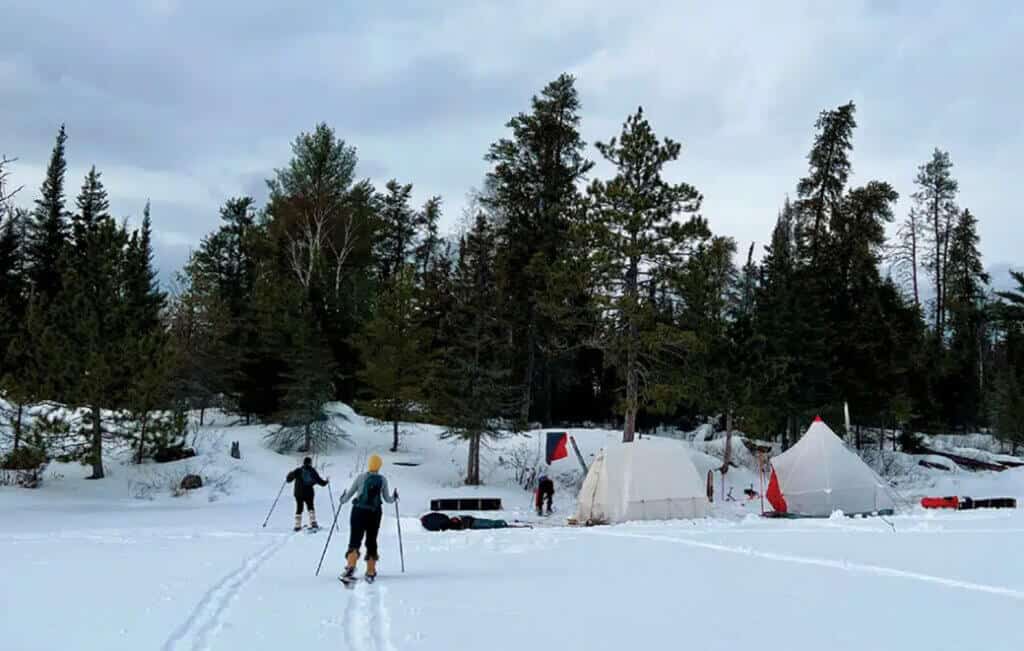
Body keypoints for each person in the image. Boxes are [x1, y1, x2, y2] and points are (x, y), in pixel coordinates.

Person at [338, 454, 397, 581]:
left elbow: (348, 496)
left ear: (369, 464)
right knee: (371, 540)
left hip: (359, 511)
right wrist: (394, 497)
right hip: (375, 513)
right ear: (379, 466)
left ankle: (350, 567)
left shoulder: (361, 478)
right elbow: (387, 499)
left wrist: (342, 499)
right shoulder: (383, 480)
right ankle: (370, 571)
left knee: (355, 538)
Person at [286, 457, 328, 532]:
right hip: (309, 493)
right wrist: (326, 482)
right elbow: (320, 482)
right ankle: (313, 523)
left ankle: (297, 525)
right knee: (310, 507)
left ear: (304, 462)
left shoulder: (298, 470)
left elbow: (288, 480)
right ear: (310, 463)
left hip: (298, 493)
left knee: (299, 508)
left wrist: (289, 475)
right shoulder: (312, 471)